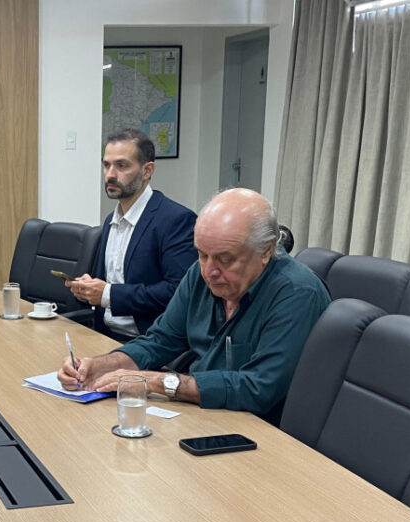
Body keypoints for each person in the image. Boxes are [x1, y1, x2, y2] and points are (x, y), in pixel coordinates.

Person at [58, 188, 330, 422]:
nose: (209, 271)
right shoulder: (200, 275)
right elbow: (160, 340)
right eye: (202, 254)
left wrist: (157, 382)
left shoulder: (297, 293)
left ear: (266, 251)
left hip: (260, 430)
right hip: (205, 414)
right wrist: (102, 365)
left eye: (225, 259)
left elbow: (258, 388)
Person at [66, 128, 197, 340]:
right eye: (106, 165)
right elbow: (108, 283)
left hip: (149, 342)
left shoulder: (176, 220)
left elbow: (178, 292)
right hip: (103, 335)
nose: (110, 174)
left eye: (122, 165)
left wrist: (108, 294)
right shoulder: (111, 220)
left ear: (147, 171)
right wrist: (89, 288)